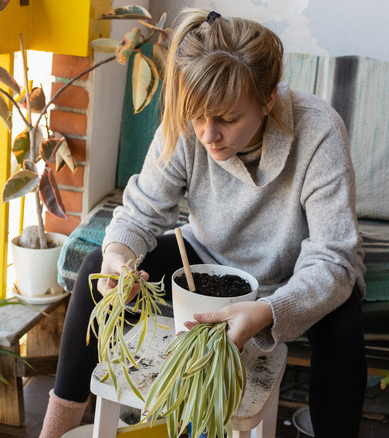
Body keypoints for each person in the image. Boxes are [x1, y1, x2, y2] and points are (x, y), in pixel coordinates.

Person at [40, 8, 367, 438]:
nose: (207, 134)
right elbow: (141, 211)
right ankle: (51, 431)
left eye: (228, 119)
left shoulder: (319, 130)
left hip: (294, 273)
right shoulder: (188, 124)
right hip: (207, 255)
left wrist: (267, 311)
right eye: (197, 118)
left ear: (268, 99)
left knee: (343, 321)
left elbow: (332, 258)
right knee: (94, 267)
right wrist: (119, 257)